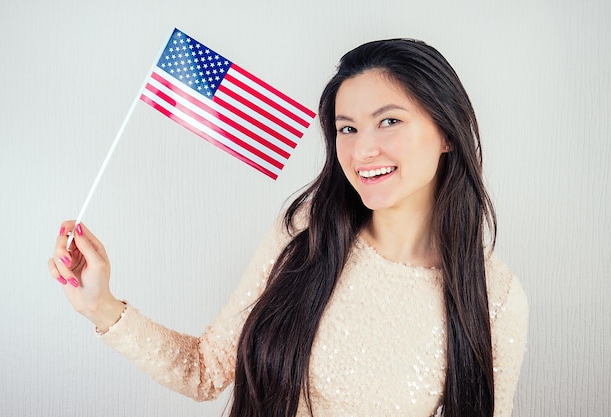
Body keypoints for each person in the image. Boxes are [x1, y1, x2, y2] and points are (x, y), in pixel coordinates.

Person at [48, 38, 528, 417]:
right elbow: (206, 370)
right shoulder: (303, 233)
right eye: (347, 128)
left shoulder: (496, 296)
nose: (362, 152)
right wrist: (102, 306)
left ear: (446, 132)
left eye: (389, 121)